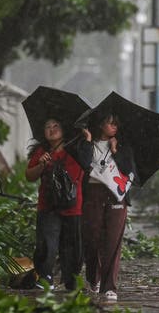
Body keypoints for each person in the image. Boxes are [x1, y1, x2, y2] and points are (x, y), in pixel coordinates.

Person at [25, 118, 92, 290]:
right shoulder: (41, 151)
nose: (52, 129)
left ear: (64, 129)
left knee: (72, 247)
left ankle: (71, 281)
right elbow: (29, 176)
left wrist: (88, 141)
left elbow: (87, 164)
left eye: (56, 126)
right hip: (48, 205)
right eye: (48, 126)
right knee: (47, 244)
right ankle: (45, 277)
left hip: (72, 205)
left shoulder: (76, 147)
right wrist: (41, 164)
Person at [80, 113, 138, 301]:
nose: (113, 127)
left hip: (116, 196)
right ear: (100, 125)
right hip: (92, 194)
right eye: (109, 123)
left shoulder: (123, 147)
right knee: (92, 238)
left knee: (113, 241)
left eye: (116, 124)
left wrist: (115, 151)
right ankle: (93, 279)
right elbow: (82, 162)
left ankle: (109, 286)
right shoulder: (87, 144)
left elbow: (130, 171)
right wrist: (88, 141)